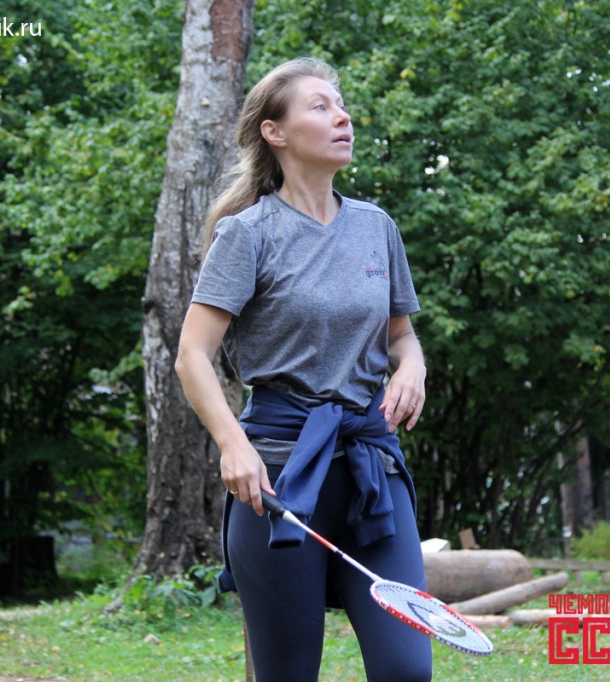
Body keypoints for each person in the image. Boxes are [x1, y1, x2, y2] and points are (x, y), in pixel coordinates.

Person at [174, 56, 432, 682]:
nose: (343, 117)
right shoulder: (247, 234)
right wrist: (233, 447)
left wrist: (411, 369)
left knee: (407, 670)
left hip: (372, 472)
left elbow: (401, 335)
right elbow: (191, 355)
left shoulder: (376, 227)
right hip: (278, 477)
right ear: (275, 132)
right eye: (320, 106)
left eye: (341, 105)